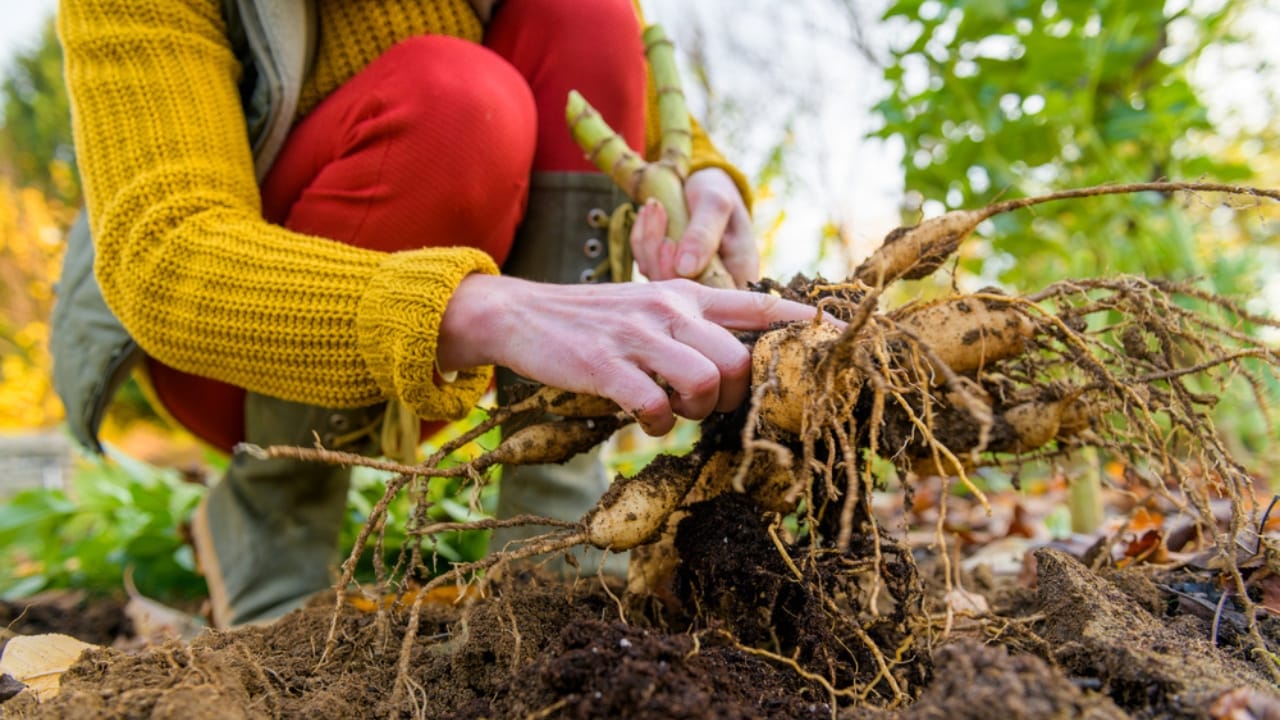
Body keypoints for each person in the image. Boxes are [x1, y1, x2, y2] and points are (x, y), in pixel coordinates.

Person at [52, 0, 821, 628]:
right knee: (453, 102)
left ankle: (557, 532)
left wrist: (701, 179)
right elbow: (164, 257)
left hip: (442, 358)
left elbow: (606, 68)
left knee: (588, 12)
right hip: (221, 351)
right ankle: (274, 518)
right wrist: (495, 310)